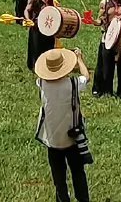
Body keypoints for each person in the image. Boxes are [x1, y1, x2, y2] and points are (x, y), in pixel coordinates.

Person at [33, 48, 92, 202]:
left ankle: (62, 199)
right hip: (72, 138)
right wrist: (79, 59)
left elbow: (40, 77)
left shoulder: (42, 84)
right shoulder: (72, 84)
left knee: (59, 178)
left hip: (52, 140)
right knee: (78, 173)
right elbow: (86, 77)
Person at [24, 0, 58, 70]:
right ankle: (35, 66)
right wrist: (28, 19)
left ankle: (48, 65)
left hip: (49, 25)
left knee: (49, 45)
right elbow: (27, 9)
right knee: (36, 47)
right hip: (37, 26)